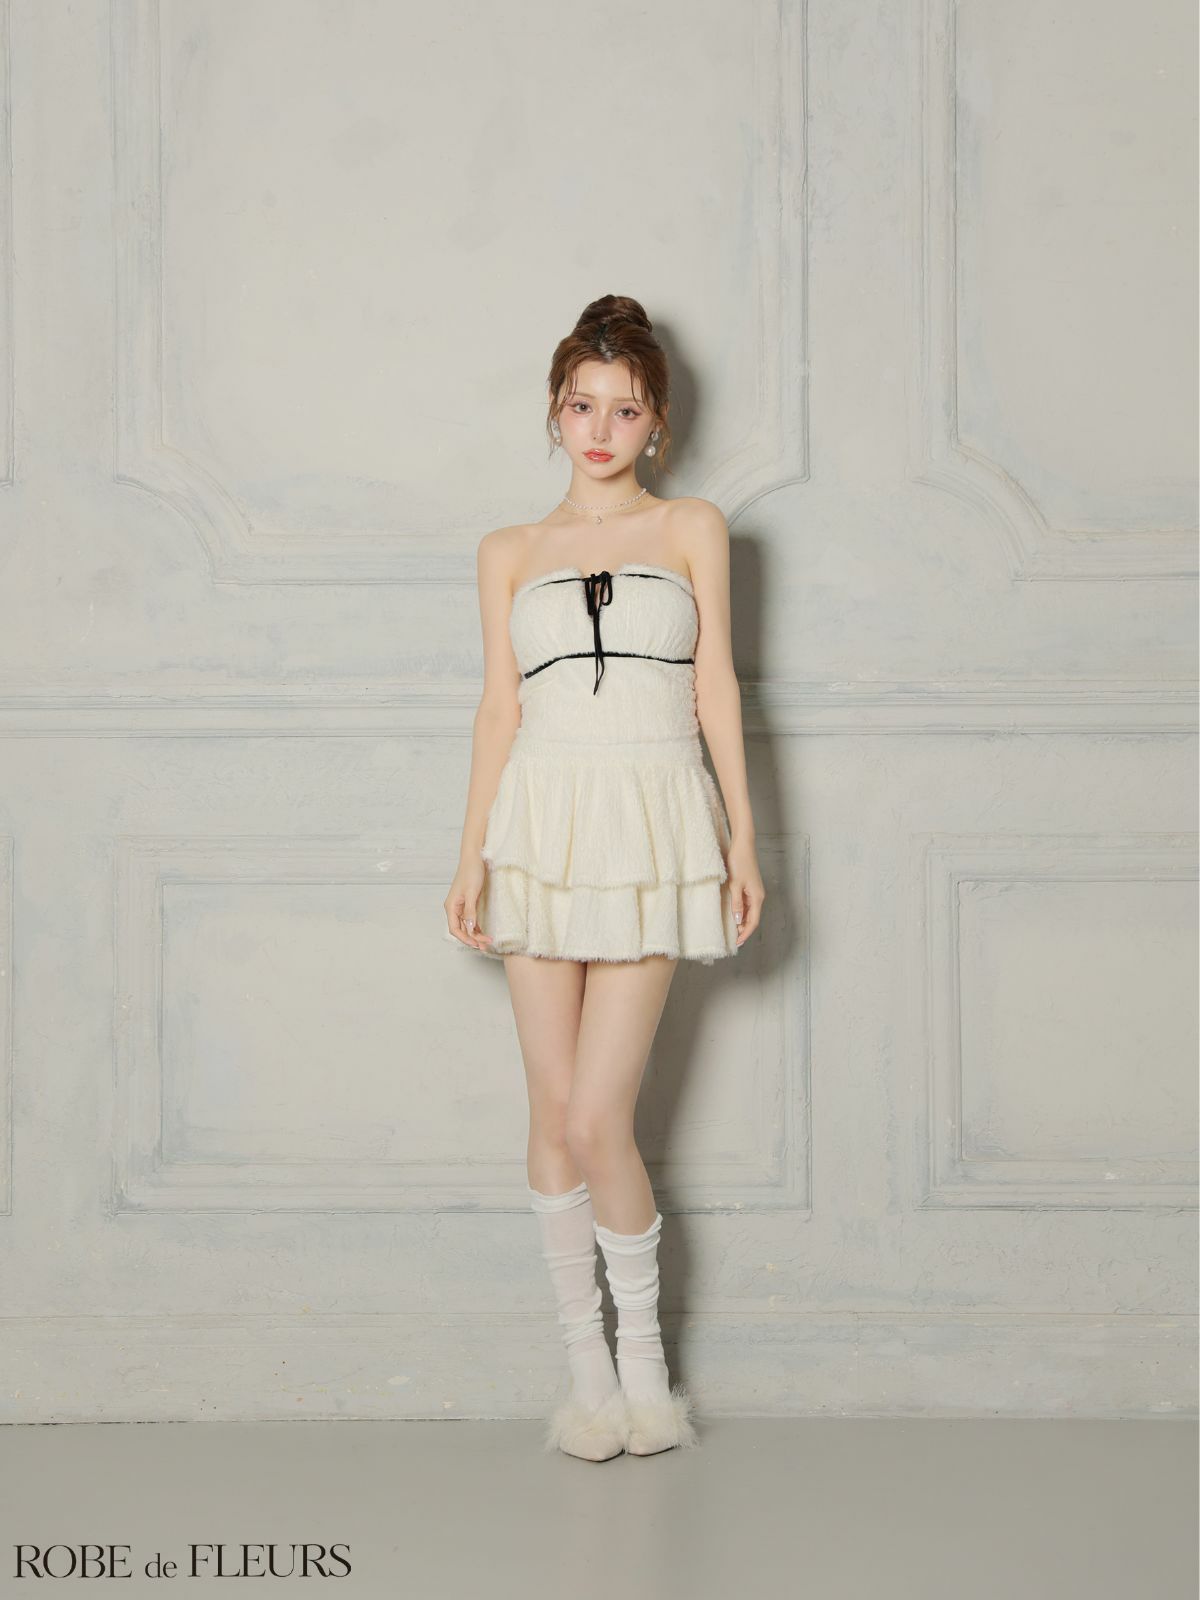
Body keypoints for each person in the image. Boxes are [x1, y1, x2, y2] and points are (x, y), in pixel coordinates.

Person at [444, 294, 765, 1461]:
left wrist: (742, 840)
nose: (600, 430)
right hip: (540, 825)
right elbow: (499, 708)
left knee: (597, 1116)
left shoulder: (692, 526)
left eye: (625, 410)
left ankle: (646, 1372)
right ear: (554, 409)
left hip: (653, 821)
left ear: (657, 422)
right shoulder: (508, 551)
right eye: (582, 405)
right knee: (550, 1115)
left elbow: (715, 686)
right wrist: (470, 853)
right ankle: (587, 1376)